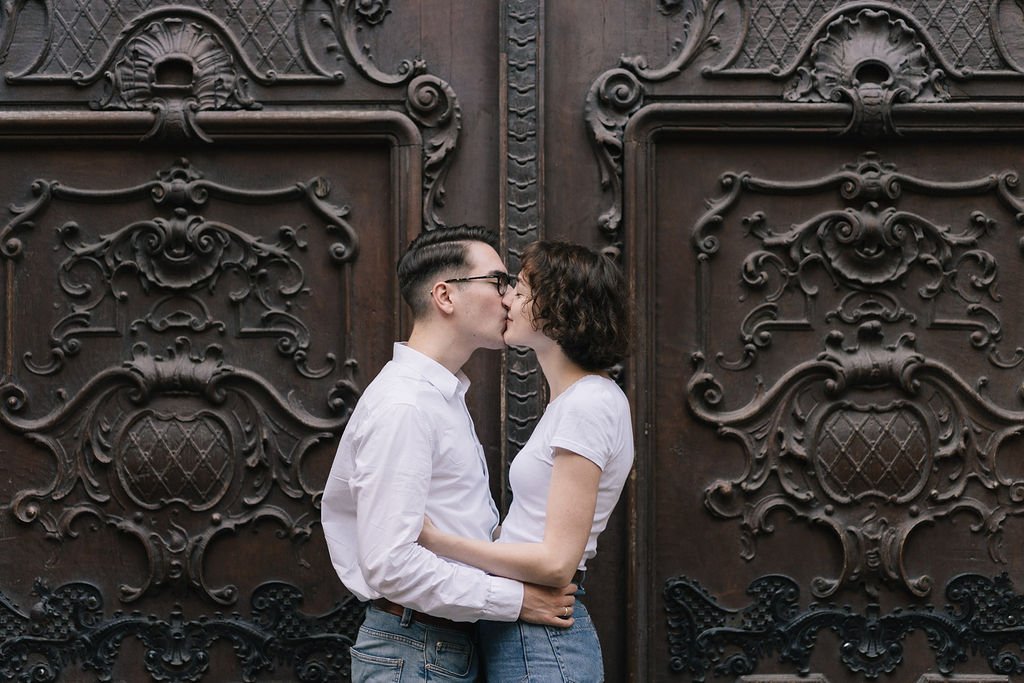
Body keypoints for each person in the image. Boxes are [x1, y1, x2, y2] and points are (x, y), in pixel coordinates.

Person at [320, 225, 577, 682]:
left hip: (439, 646)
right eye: (498, 282)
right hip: (414, 649)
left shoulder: (441, 395)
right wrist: (515, 600)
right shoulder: (406, 404)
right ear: (445, 296)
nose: (510, 297)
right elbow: (391, 564)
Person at [419, 239, 634, 682]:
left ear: (560, 306)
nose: (507, 299)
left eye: (519, 289)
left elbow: (557, 562)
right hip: (521, 632)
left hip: (541, 644)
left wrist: (434, 539)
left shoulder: (589, 403)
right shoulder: (572, 401)